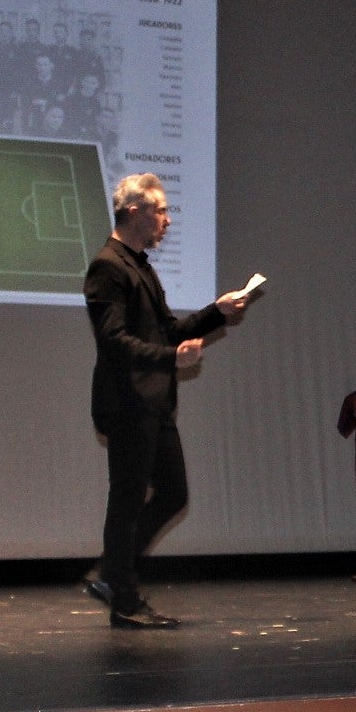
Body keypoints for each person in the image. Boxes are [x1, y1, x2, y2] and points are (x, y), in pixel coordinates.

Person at [81, 173, 252, 629]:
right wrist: (170, 357)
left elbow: (167, 331)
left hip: (153, 403)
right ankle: (123, 597)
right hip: (127, 403)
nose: (167, 220)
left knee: (173, 493)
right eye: (159, 210)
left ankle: (112, 572)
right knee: (128, 499)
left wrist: (217, 312)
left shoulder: (141, 265)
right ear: (133, 212)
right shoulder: (108, 267)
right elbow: (114, 342)